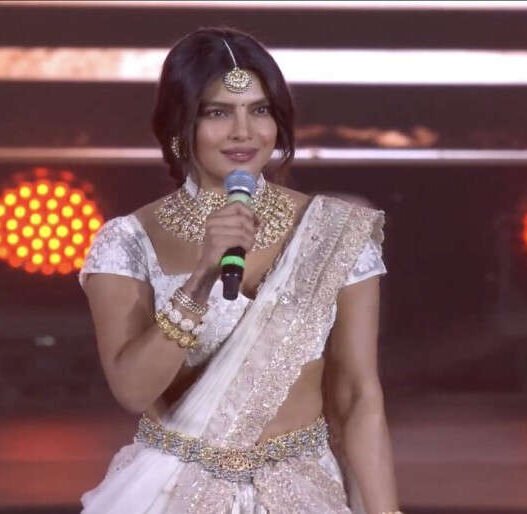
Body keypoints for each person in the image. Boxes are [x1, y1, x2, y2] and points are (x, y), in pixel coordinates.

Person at [79, 27, 401, 514]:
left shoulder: (336, 231)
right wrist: (200, 279)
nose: (243, 132)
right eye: (217, 112)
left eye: (260, 110)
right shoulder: (127, 241)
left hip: (302, 495)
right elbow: (133, 389)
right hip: (171, 495)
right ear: (179, 125)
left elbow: (357, 396)